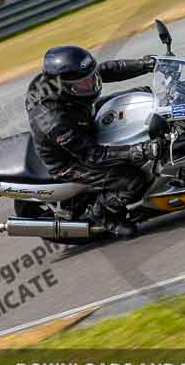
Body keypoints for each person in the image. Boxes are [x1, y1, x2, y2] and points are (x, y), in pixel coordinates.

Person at [25, 45, 161, 236]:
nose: (92, 84)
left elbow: (105, 70)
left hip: (82, 116)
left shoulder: (68, 82)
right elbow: (93, 155)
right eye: (84, 83)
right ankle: (103, 213)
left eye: (91, 78)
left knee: (142, 94)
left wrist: (145, 64)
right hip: (70, 160)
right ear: (64, 86)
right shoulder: (53, 120)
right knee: (133, 180)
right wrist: (140, 150)